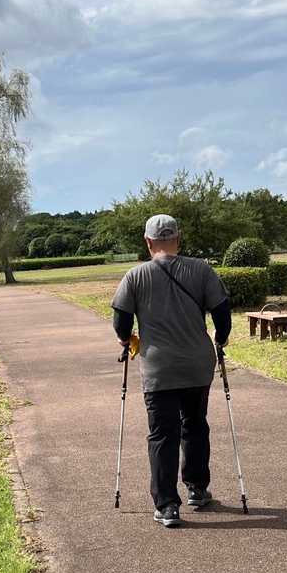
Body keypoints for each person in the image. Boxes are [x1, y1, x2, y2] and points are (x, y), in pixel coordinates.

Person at [111, 214, 233, 528]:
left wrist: (126, 339)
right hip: (197, 365)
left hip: (159, 368)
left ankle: (167, 505)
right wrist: (220, 338)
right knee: (195, 424)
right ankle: (197, 488)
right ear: (178, 239)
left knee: (163, 434)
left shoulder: (135, 276)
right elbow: (222, 311)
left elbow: (121, 320)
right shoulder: (202, 270)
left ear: (148, 242)